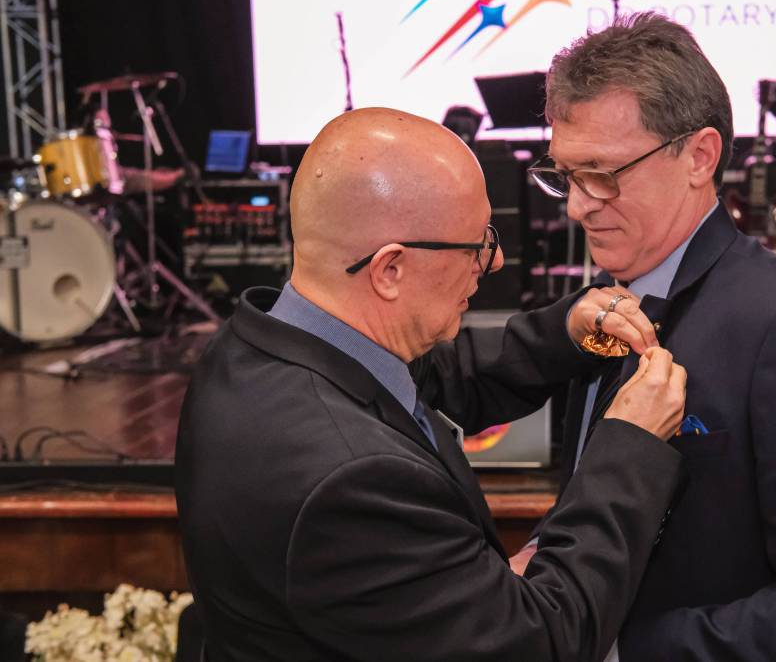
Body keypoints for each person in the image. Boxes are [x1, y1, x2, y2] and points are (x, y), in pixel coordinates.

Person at [175, 107, 690, 661]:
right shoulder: (353, 481)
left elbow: (438, 375)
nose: (494, 262)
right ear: (389, 270)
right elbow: (540, 644)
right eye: (477, 244)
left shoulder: (256, 347)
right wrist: (630, 445)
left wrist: (565, 330)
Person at [521, 12, 776, 661]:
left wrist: (618, 649)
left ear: (699, 156)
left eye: (603, 173)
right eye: (565, 174)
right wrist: (547, 553)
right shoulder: (607, 302)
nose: (576, 205)